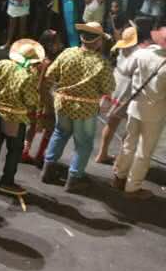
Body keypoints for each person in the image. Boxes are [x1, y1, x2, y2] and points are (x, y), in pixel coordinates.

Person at [40, 22, 115, 193]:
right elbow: (108, 88)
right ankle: (74, 178)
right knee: (84, 144)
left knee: (59, 134)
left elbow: (50, 76)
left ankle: (48, 170)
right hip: (86, 109)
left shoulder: (67, 53)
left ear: (82, 38)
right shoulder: (101, 63)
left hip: (63, 103)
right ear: (98, 42)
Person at [0, 39, 44, 196]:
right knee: (14, 149)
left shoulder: (3, 64)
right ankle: (7, 182)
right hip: (15, 117)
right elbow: (31, 100)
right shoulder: (28, 76)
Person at [111, 27, 166, 198]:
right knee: (144, 151)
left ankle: (119, 177)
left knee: (128, 143)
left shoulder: (143, 53)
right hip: (155, 113)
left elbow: (125, 69)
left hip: (134, 106)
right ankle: (133, 187)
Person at [96, 23, 150, 165]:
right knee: (130, 126)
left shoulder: (121, 46)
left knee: (111, 123)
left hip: (117, 83)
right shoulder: (139, 53)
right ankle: (121, 160)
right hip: (128, 89)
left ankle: (102, 154)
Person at [22, 29, 63, 167]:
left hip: (33, 98)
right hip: (43, 100)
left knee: (32, 126)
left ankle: (25, 151)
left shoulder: (36, 58)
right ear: (49, 44)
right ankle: (40, 155)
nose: (59, 44)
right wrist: (49, 104)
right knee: (50, 128)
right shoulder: (48, 62)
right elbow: (41, 86)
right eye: (57, 42)